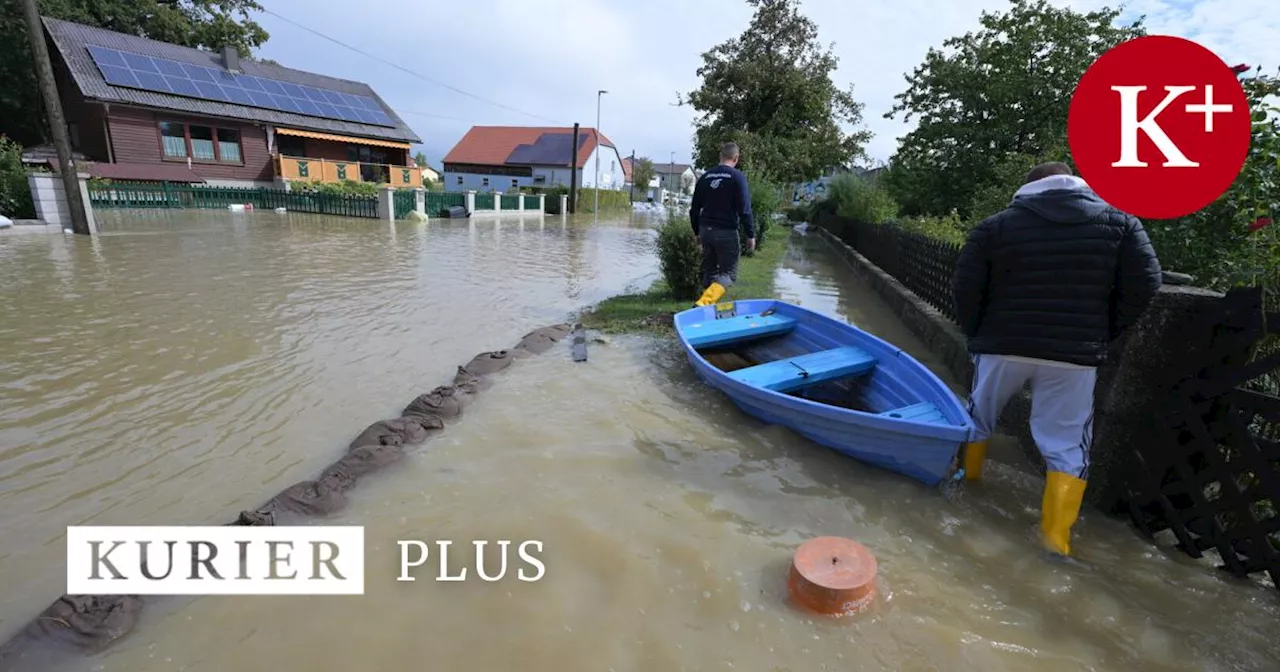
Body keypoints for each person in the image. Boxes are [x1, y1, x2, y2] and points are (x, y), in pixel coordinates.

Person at [951, 162, 1162, 557]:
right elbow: (1147, 282)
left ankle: (965, 488)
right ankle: (1054, 539)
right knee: (1067, 445)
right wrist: (1103, 331)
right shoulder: (1122, 225)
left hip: (1002, 346)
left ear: (1029, 188)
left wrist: (978, 333)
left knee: (977, 417)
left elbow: (966, 287)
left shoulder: (994, 227)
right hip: (1074, 356)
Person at [689, 142, 755, 307]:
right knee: (728, 274)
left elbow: (694, 209)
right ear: (736, 158)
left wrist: (697, 232)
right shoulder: (737, 177)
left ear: (720, 156)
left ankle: (705, 309)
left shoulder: (705, 177)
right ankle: (704, 303)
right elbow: (745, 210)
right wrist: (751, 235)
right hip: (725, 231)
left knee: (710, 270)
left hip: (705, 229)